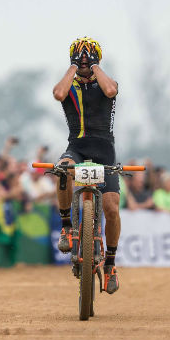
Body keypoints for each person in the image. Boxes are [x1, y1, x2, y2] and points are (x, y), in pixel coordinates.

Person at [53, 37, 119, 294]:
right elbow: (58, 93)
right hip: (77, 147)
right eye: (79, 59)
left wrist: (95, 66)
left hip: (104, 149)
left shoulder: (106, 82)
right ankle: (67, 227)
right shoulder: (68, 85)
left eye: (88, 59)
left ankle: (111, 263)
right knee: (62, 169)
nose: (83, 63)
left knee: (112, 207)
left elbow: (111, 91)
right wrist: (72, 67)